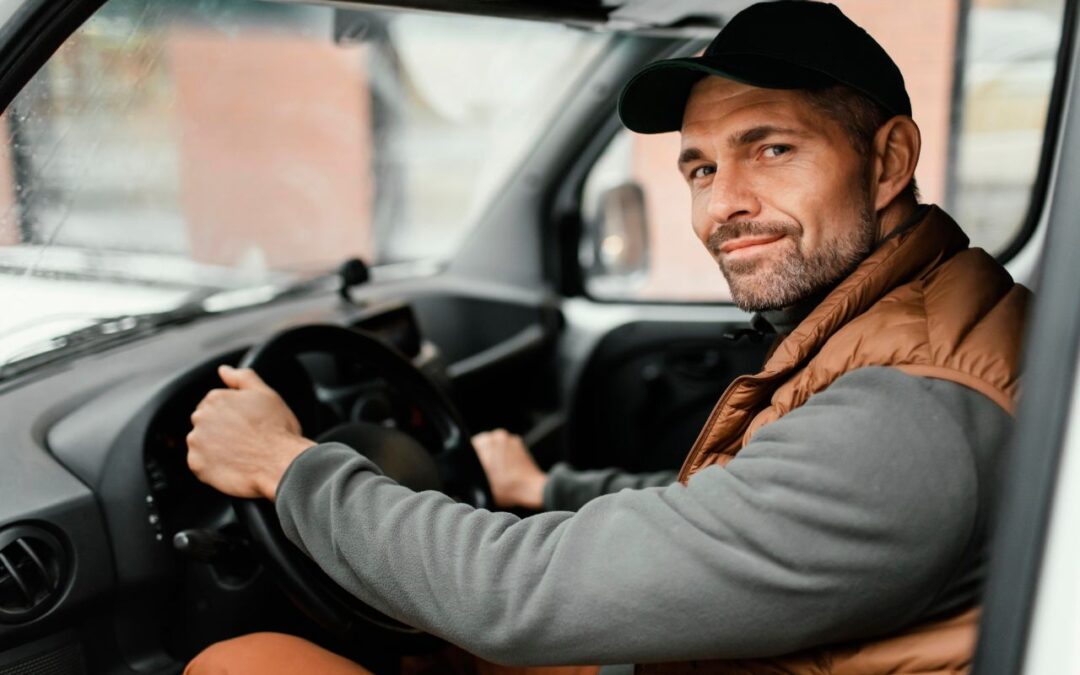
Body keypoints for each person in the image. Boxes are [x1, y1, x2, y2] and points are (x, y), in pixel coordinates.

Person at [183, 2, 1029, 673]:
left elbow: (513, 595)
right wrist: (549, 488)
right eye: (700, 167)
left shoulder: (905, 414)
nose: (722, 204)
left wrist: (283, 464)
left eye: (770, 148)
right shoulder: (925, 317)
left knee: (241, 661)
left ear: (888, 162)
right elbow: (743, 507)